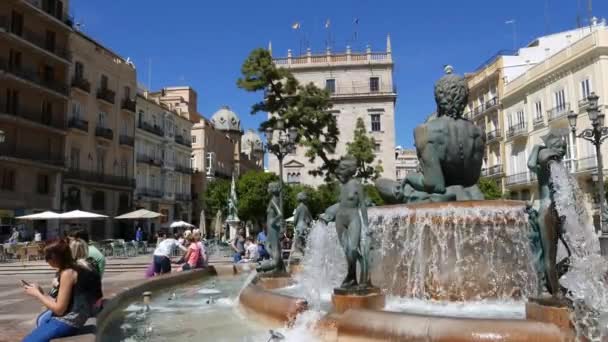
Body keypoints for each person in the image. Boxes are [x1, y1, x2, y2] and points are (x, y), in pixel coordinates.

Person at [22, 240, 102, 342]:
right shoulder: (75, 268)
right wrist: (42, 293)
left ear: (56, 257)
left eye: (47, 257)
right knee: (41, 321)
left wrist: (37, 294)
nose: (46, 261)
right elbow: (61, 303)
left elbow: (59, 309)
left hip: (67, 321)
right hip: (74, 319)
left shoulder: (68, 273)